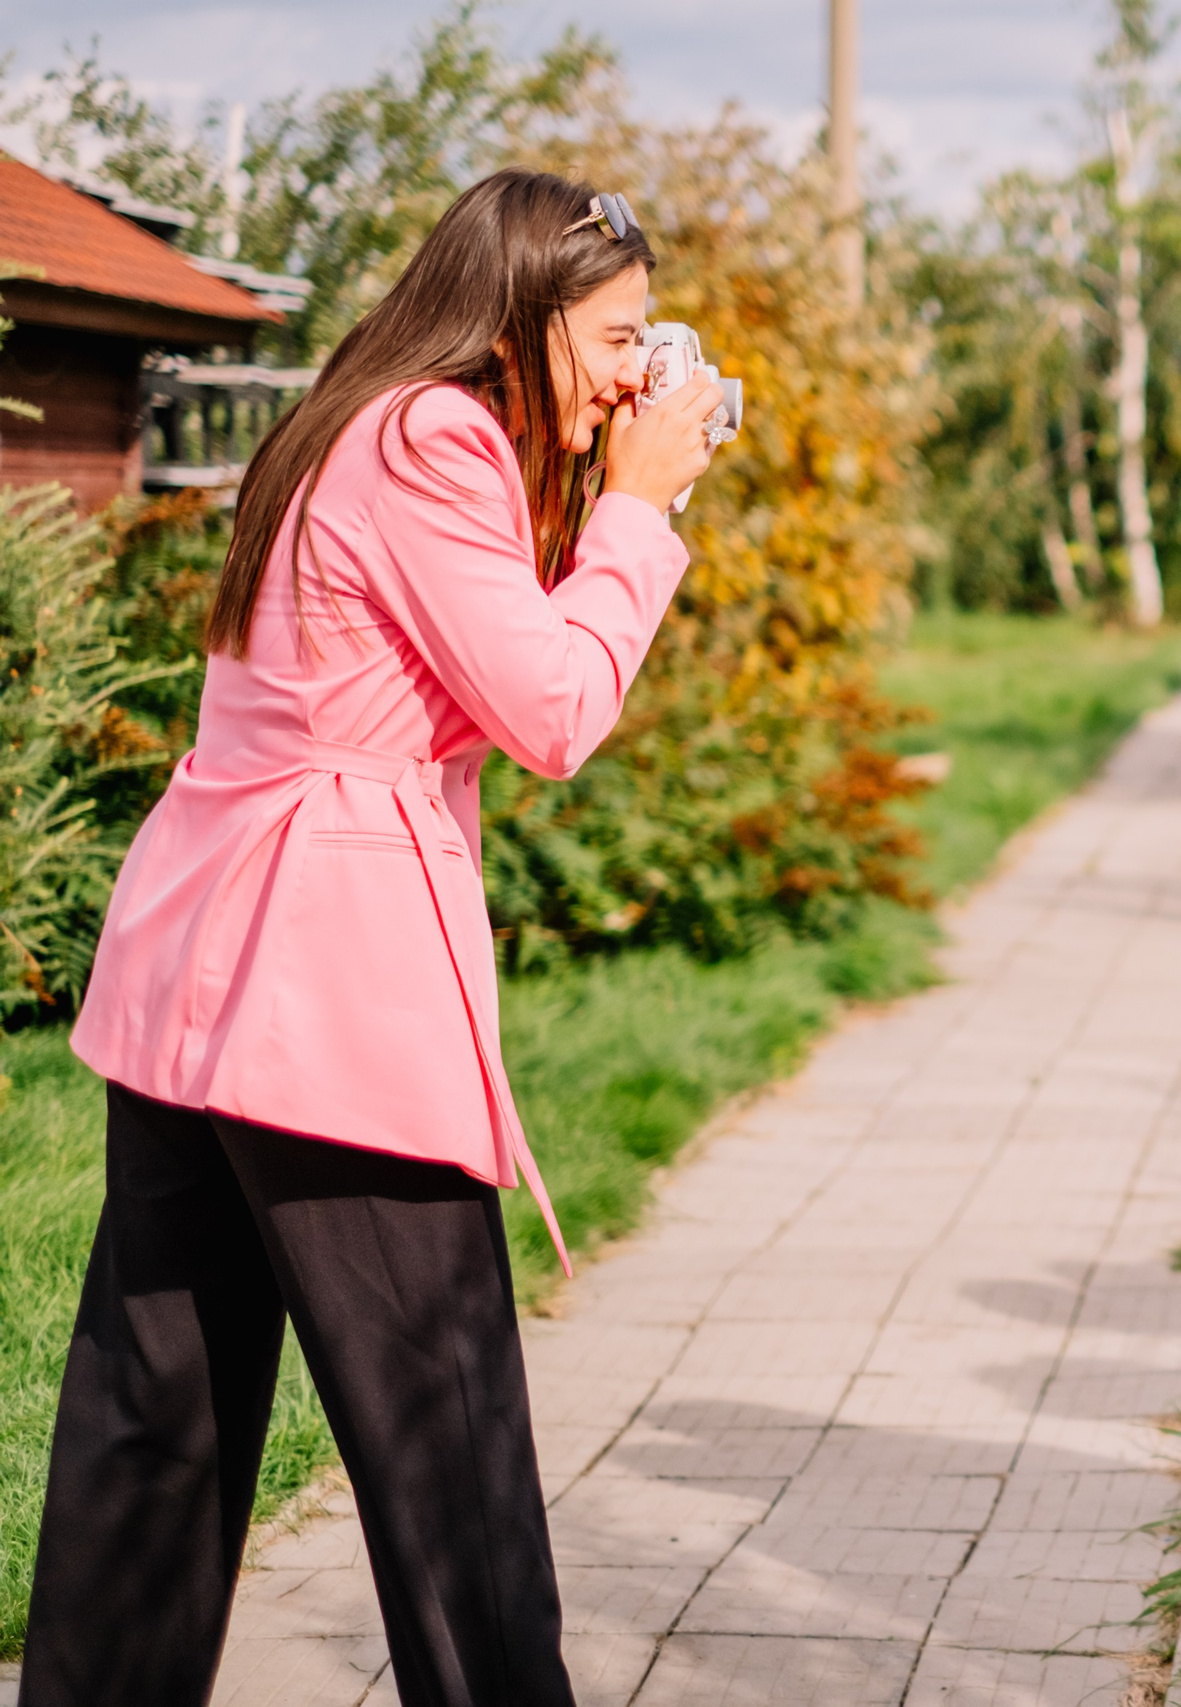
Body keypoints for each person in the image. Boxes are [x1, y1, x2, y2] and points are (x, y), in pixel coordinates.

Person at [21, 170, 725, 1707]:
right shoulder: (431, 437)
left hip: (201, 979)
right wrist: (638, 511)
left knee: (158, 1429)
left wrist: (596, 495)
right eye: (616, 336)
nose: (631, 373)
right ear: (520, 313)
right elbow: (549, 711)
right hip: (322, 995)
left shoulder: (355, 418)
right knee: (449, 1451)